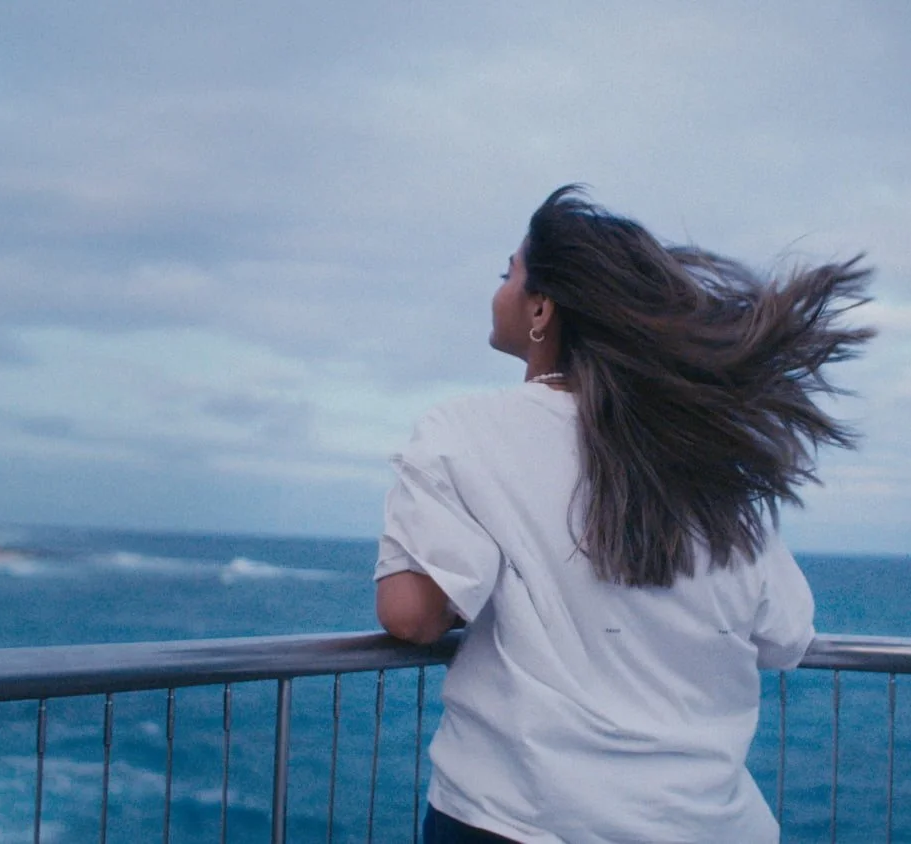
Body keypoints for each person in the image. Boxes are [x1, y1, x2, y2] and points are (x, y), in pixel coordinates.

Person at [374, 185, 873, 843]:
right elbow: (784, 636)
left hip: (516, 822)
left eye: (509, 274)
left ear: (542, 308)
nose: (498, 289)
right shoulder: (702, 463)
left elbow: (411, 615)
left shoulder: (463, 431)